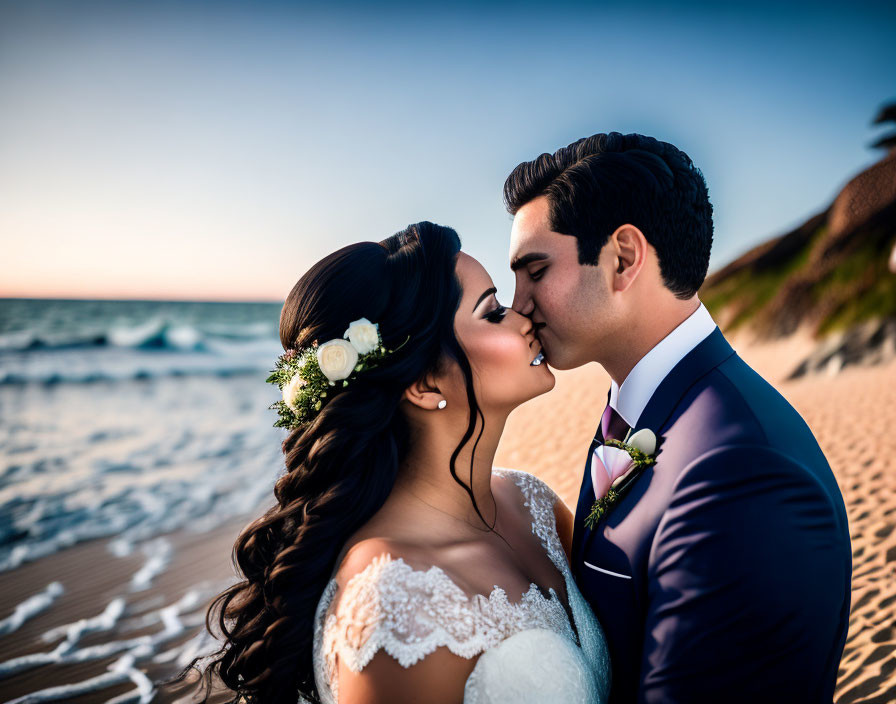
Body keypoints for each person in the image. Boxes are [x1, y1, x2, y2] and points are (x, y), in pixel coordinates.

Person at [180, 222, 611, 703]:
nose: (524, 315)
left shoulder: (534, 504)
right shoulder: (393, 598)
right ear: (425, 385)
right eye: (491, 312)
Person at [503, 132, 853, 703]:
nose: (519, 304)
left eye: (535, 271)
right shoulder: (645, 406)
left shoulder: (738, 473)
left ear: (623, 258)